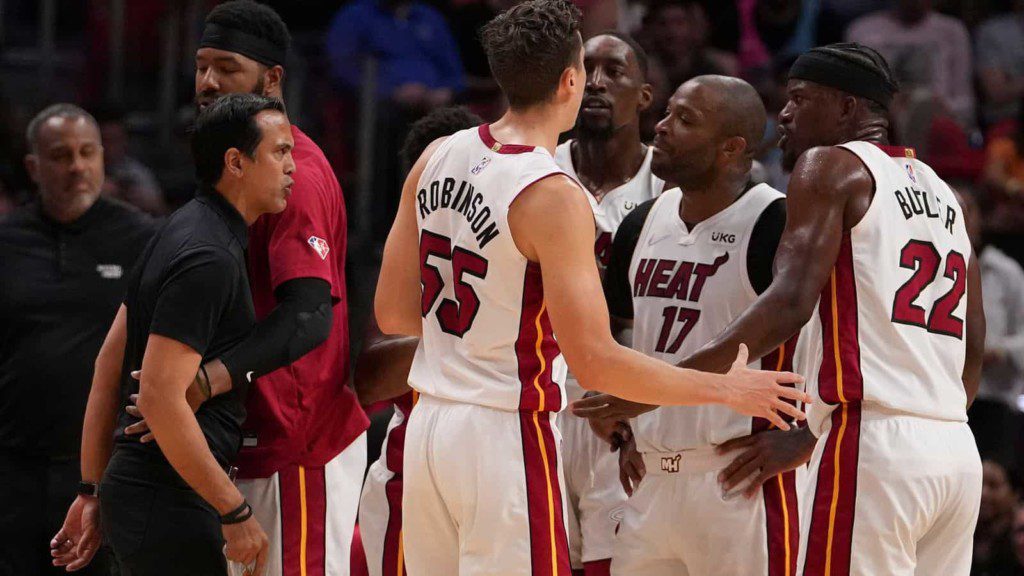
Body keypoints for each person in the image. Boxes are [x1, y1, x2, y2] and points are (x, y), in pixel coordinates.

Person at [374, 1, 807, 573]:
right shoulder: (551, 190)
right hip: (505, 432)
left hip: (429, 425)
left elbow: (394, 315)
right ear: (569, 80)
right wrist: (727, 390)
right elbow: (598, 363)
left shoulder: (436, 154)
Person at [574, 42, 985, 575]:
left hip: (874, 444)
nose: (784, 114)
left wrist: (657, 387)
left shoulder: (829, 164)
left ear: (845, 107)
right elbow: (973, 343)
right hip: (954, 448)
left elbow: (788, 304)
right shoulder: (944, 193)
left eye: (799, 98)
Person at [121, 3, 371, 575]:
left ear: (272, 79)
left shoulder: (294, 175)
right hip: (237, 438)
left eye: (227, 68)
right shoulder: (225, 168)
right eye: (201, 66)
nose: (207, 82)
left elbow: (309, 317)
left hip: (295, 444)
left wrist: (201, 384)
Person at [52, 93, 293, 576]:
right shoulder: (209, 255)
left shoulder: (179, 228)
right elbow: (160, 396)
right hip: (168, 497)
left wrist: (92, 488)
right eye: (280, 151)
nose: (292, 166)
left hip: (146, 493)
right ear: (235, 163)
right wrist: (235, 510)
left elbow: (108, 365)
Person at [599, 75, 794, 576]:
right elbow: (620, 332)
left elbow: (819, 342)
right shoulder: (639, 222)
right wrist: (626, 428)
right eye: (667, 113)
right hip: (648, 482)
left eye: (685, 120)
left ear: (732, 148)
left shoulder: (776, 222)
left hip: (738, 479)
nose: (661, 128)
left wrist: (808, 437)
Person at [0, 104, 154, 576]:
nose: (77, 167)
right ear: (34, 167)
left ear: (104, 157)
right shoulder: (6, 241)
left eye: (88, 153)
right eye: (61, 155)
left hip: (107, 473)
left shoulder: (143, 239)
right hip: (13, 470)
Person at [552, 31, 663, 576]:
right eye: (585, 69)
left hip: (624, 402)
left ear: (644, 95)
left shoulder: (672, 184)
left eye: (613, 71)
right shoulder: (536, 168)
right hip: (540, 393)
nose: (595, 82)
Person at [356, 105, 484, 576]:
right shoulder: (407, 253)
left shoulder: (523, 234)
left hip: (499, 460)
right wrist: (465, 339)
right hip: (413, 464)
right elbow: (366, 377)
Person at [960, 188, 1024, 472]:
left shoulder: (1006, 271)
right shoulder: (930, 264)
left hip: (995, 400)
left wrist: (1000, 350)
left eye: (968, 211)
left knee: (990, 485)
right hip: (949, 397)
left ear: (980, 219)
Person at [845, 0, 974, 127]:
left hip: (941, 124)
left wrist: (935, 110)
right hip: (882, 125)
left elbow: (964, 102)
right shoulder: (862, 30)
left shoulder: (952, 30)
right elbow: (855, 101)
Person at [92, 104, 167, 216]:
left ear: (125, 141)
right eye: (104, 140)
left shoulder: (137, 173)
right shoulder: (77, 170)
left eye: (116, 140)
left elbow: (164, 215)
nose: (109, 148)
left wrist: (153, 205)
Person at [972, 460, 1020, 576]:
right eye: (979, 484)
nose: (984, 493)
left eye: (993, 485)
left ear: (1015, 494)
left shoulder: (1019, 540)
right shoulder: (961, 535)